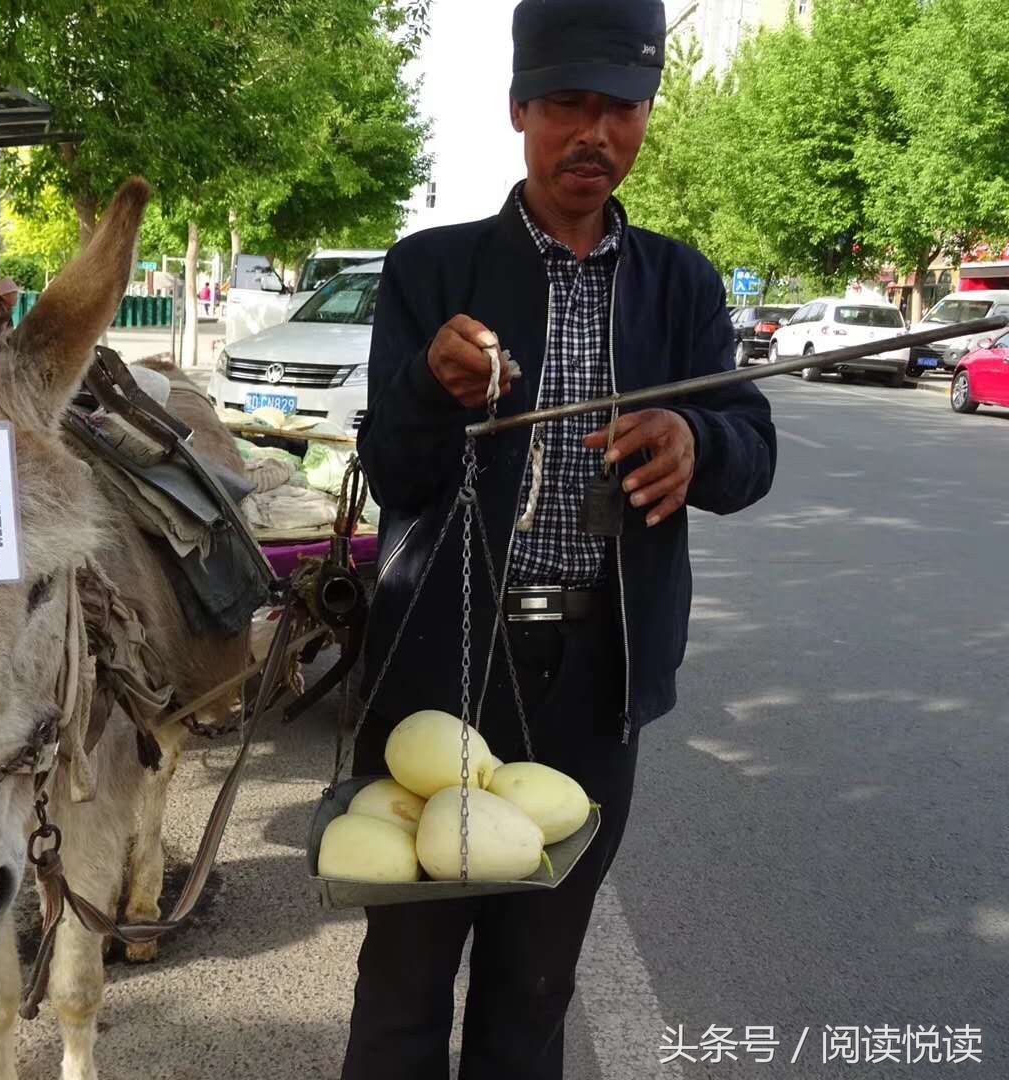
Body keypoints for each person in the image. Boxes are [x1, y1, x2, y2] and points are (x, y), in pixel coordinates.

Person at [343, 3, 776, 1079]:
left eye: (621, 107)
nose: (597, 133)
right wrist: (430, 391)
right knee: (404, 980)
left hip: (596, 682)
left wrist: (696, 439)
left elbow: (752, 448)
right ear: (518, 110)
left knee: (535, 985)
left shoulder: (681, 282)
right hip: (445, 670)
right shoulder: (431, 271)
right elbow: (393, 473)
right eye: (570, 105)